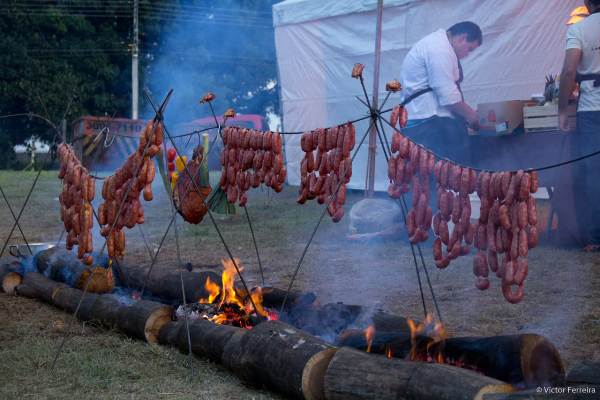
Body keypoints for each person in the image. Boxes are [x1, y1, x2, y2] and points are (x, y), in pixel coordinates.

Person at [400, 21, 482, 164]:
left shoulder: (438, 44)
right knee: (434, 177)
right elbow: (448, 96)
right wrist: (474, 118)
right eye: (469, 49)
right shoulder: (439, 49)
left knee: (430, 178)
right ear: (462, 38)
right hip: (426, 122)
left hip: (424, 120)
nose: (467, 55)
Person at [558, 0, 600, 250]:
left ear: (587, 3)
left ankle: (595, 239)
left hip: (592, 111)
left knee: (594, 174)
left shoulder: (579, 29)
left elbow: (568, 72)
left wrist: (563, 109)